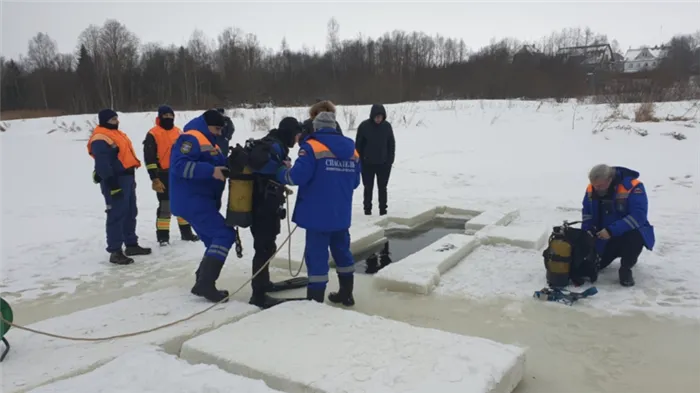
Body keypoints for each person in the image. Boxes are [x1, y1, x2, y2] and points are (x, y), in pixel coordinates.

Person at [276, 107, 361, 305]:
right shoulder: (352, 149)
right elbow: (355, 182)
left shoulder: (312, 147)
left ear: (316, 128)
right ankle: (346, 294)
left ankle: (315, 302)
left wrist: (280, 171)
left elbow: (297, 176)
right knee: (342, 252)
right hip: (341, 213)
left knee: (317, 258)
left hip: (317, 215)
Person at [170, 109, 235, 302]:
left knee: (213, 241)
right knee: (224, 234)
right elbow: (179, 166)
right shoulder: (190, 139)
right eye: (216, 128)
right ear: (207, 125)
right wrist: (210, 171)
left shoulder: (209, 141)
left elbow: (219, 164)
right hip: (192, 200)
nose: (219, 133)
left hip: (201, 200)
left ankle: (202, 281)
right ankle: (206, 283)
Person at [244, 117, 308, 308]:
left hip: (262, 203)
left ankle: (264, 283)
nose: (297, 140)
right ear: (289, 133)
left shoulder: (273, 143)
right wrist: (283, 168)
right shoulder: (275, 147)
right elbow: (267, 169)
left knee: (267, 245)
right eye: (296, 135)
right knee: (264, 247)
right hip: (263, 205)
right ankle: (258, 293)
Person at [87, 109, 152, 265]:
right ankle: (115, 251)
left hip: (127, 177)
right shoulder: (100, 138)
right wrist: (112, 184)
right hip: (115, 180)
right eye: (113, 119)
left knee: (130, 212)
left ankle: (131, 244)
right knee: (116, 214)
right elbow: (102, 164)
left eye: (117, 118)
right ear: (104, 120)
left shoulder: (117, 134)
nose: (116, 121)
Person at [581, 164, 655, 287]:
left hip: (626, 234)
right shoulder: (592, 189)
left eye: (599, 186)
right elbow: (587, 213)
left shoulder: (633, 186)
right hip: (603, 236)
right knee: (588, 269)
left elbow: (638, 216)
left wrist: (611, 230)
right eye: (594, 185)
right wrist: (587, 231)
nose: (596, 188)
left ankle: (626, 267)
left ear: (610, 179)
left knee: (636, 235)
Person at [143, 105, 200, 246]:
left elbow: (186, 152)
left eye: (170, 115)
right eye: (165, 116)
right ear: (160, 116)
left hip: (179, 173)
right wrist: (154, 178)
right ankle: (163, 238)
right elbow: (149, 158)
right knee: (165, 206)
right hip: (162, 174)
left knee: (183, 203)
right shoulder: (153, 134)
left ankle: (187, 233)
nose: (168, 118)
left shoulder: (179, 133)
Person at [355, 104, 395, 216]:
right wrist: (359, 160)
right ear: (372, 116)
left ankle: (383, 210)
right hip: (367, 164)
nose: (378, 119)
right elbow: (358, 145)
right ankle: (367, 210)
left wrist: (390, 160)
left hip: (383, 164)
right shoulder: (364, 126)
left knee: (382, 187)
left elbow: (391, 144)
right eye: (376, 116)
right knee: (368, 187)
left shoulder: (387, 127)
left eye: (380, 116)